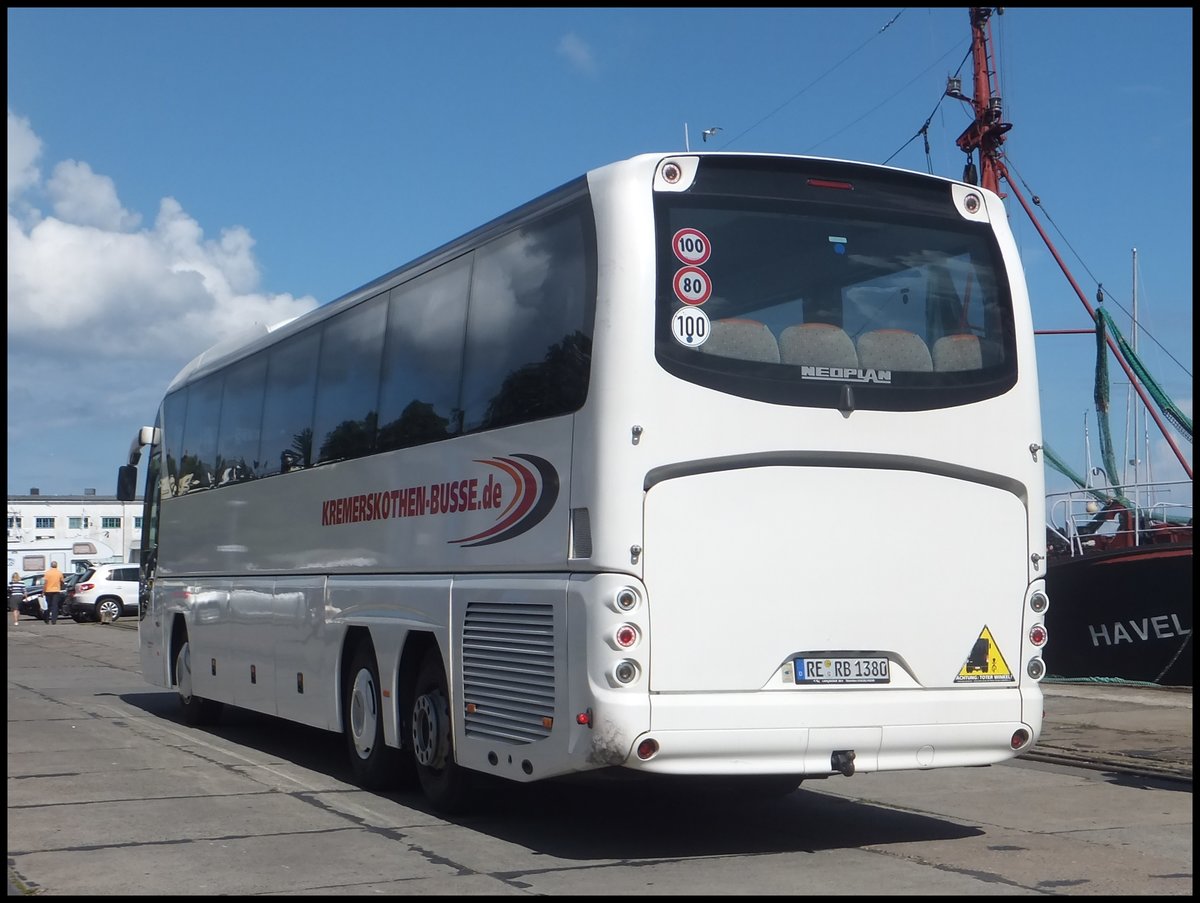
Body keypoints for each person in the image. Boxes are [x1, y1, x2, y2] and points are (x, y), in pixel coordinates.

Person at [43, 561, 65, 626]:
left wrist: (43, 591)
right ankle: (54, 620)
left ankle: (46, 619)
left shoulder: (47, 573)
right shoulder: (59, 573)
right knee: (55, 606)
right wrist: (61, 586)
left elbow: (45, 583)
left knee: (48, 605)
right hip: (56, 591)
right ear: (57, 566)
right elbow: (62, 581)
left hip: (48, 591)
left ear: (51, 566)